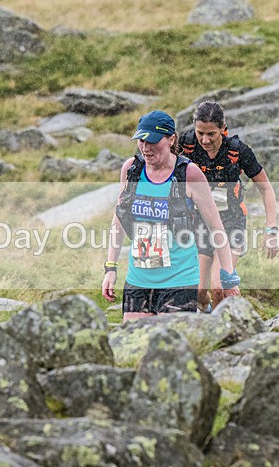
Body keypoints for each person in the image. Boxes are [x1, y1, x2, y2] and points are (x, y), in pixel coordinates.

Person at [101, 110, 241, 321]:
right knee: (135, 349)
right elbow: (118, 221)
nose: (146, 148)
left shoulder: (189, 174)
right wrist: (110, 268)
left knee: (171, 349)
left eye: (153, 142)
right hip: (138, 280)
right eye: (141, 141)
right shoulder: (131, 169)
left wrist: (229, 278)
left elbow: (216, 228)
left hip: (179, 281)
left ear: (171, 139)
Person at [179, 101, 279, 310]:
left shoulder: (237, 150)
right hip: (200, 221)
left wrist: (271, 230)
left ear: (223, 129)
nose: (205, 140)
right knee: (197, 291)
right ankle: (209, 315)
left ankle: (226, 332)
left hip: (232, 221)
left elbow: (266, 189)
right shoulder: (186, 144)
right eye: (200, 133)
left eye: (212, 134)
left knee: (219, 287)